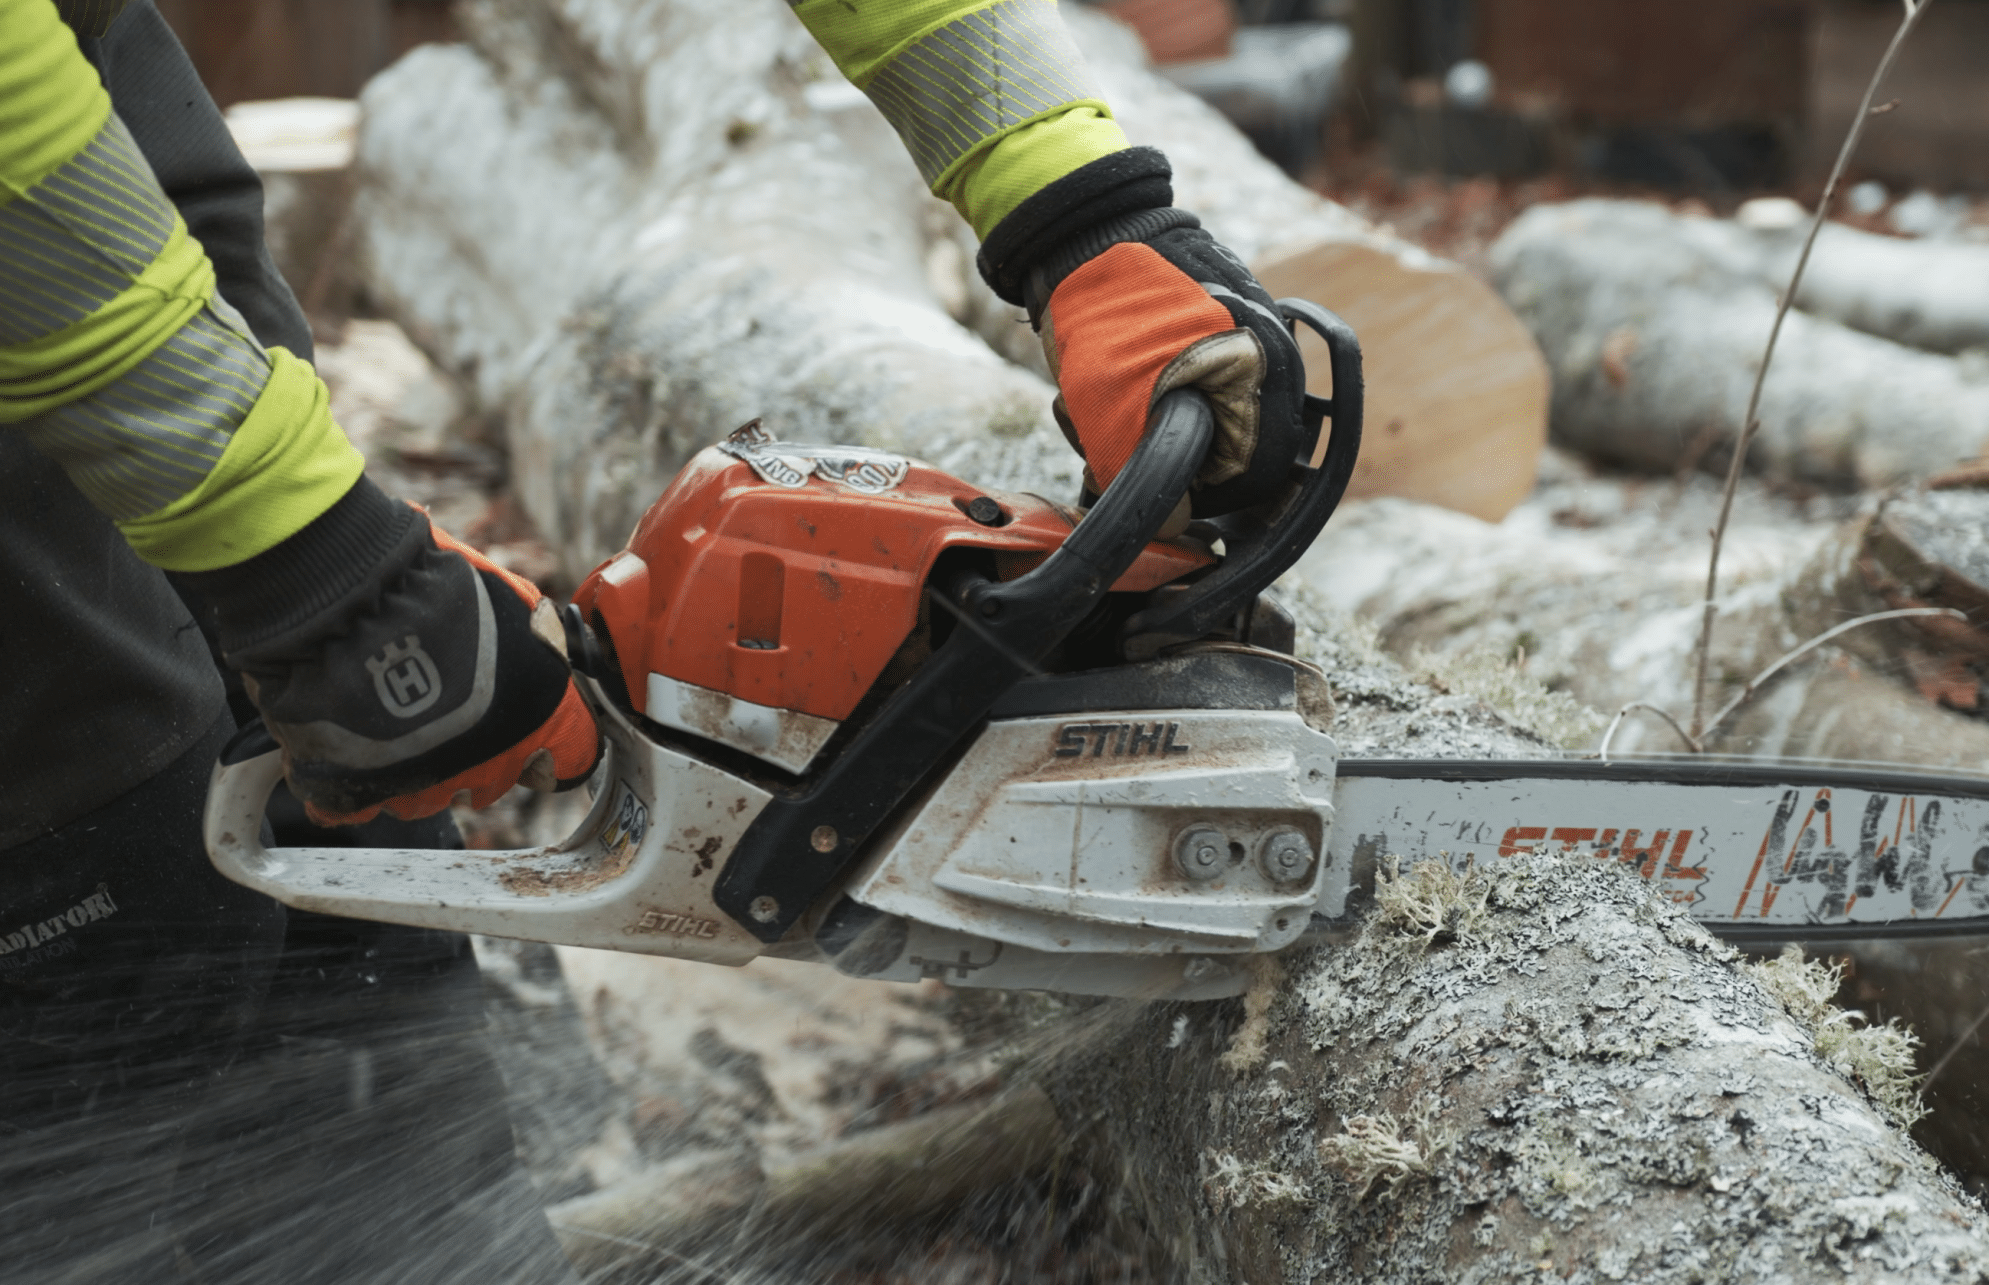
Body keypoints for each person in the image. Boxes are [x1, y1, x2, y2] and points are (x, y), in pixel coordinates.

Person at [0, 0, 1304, 1279]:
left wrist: (1079, 202)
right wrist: (303, 556)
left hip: (72, 87)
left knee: (331, 850)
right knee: (106, 849)